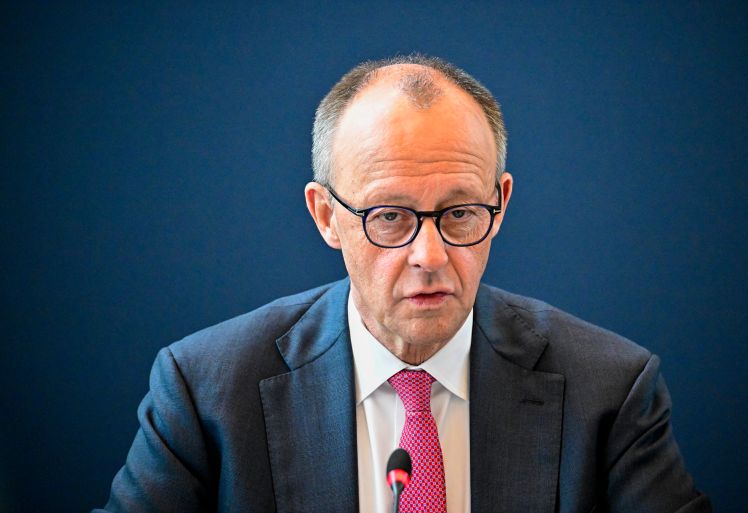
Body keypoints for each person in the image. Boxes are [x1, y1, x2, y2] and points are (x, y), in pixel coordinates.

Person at [95, 54, 711, 513]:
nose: (429, 255)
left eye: (459, 213)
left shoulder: (610, 390)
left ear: (500, 204)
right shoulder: (205, 391)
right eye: (389, 216)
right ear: (326, 216)